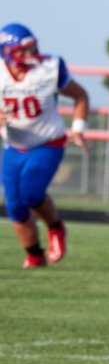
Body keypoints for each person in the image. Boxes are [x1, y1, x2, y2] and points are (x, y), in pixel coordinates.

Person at [0, 23, 89, 268]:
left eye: (31, 47)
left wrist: (78, 129)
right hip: (13, 145)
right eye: (22, 50)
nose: (30, 54)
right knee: (15, 207)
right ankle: (34, 256)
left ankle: (55, 226)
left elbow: (80, 95)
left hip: (47, 142)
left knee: (31, 191)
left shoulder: (49, 68)